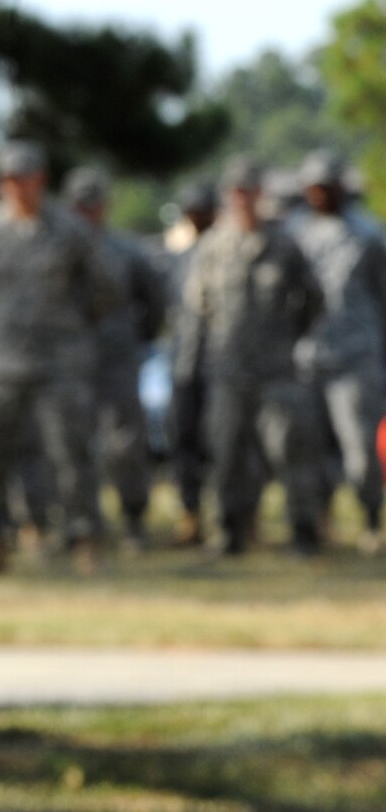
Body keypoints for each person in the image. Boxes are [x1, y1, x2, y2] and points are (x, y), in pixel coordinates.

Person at [0, 142, 114, 573]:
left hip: (60, 360)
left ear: (41, 180)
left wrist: (68, 327)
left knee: (72, 453)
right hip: (0, 360)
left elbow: (103, 290)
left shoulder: (71, 231)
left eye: (26, 178)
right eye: (10, 180)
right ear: (1, 184)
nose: (19, 188)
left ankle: (86, 540)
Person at [178, 157, 328, 554]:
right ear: (228, 196)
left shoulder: (284, 244)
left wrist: (290, 340)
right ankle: (230, 532)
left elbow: (313, 300)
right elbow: (199, 305)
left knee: (289, 450)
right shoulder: (213, 246)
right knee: (226, 453)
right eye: (237, 192)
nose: (244, 199)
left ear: (260, 195)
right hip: (228, 370)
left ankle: (304, 531)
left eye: (250, 191)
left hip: (277, 369)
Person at [65, 168, 169, 546]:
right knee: (71, 443)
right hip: (70, 362)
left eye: (93, 204)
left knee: (125, 443)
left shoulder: (126, 250)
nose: (87, 213)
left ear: (105, 206)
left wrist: (138, 339)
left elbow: (155, 301)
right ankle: (78, 522)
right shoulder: (58, 253)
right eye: (80, 205)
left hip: (117, 359)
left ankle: (133, 518)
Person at [293, 150, 386, 552]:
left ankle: (372, 517)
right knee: (308, 448)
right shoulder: (296, 236)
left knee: (360, 448)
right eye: (314, 188)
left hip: (356, 356)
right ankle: (318, 520)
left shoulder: (369, 236)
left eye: (327, 187)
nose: (321, 195)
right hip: (308, 356)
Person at [165, 180, 220, 544]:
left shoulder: (229, 251)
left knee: (228, 445)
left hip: (224, 367)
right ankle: (190, 515)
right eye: (191, 211)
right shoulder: (178, 259)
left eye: (203, 210)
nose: (197, 217)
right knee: (184, 442)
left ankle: (235, 518)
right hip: (184, 366)